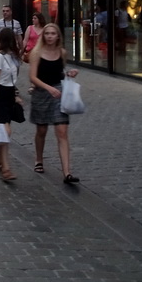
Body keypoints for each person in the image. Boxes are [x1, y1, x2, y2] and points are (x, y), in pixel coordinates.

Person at [28, 22, 80, 183]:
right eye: (47, 33)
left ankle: (67, 172)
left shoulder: (62, 52)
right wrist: (48, 88)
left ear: (58, 36)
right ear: (43, 36)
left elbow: (58, 72)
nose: (50, 36)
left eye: (53, 33)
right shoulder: (36, 53)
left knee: (62, 131)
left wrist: (68, 74)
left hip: (59, 94)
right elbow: (33, 77)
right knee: (42, 130)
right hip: (42, 93)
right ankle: (39, 159)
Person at [0, 28, 24, 182]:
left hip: (9, 95)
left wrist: (15, 95)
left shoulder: (13, 57)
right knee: (6, 132)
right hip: (0, 96)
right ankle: (6, 169)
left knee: (4, 130)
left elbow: (12, 80)